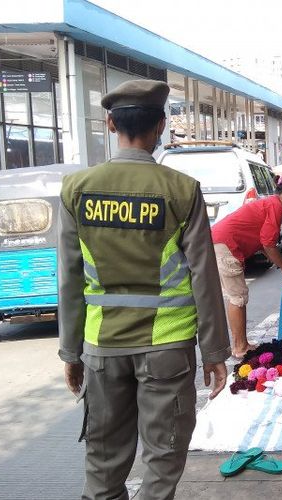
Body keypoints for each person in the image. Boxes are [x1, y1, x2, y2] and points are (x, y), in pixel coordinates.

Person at [57, 79, 230, 499]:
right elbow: (204, 276)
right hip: (167, 349)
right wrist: (214, 353)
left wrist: (70, 351)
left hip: (102, 347)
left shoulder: (76, 190)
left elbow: (69, 279)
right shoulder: (180, 190)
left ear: (110, 123)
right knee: (162, 458)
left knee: (103, 462)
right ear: (161, 126)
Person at [212, 178, 282, 358]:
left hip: (221, 241)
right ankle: (240, 347)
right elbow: (269, 245)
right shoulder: (276, 207)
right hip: (226, 245)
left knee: (237, 296)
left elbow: (265, 246)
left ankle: (242, 344)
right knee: (238, 297)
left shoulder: (269, 203)